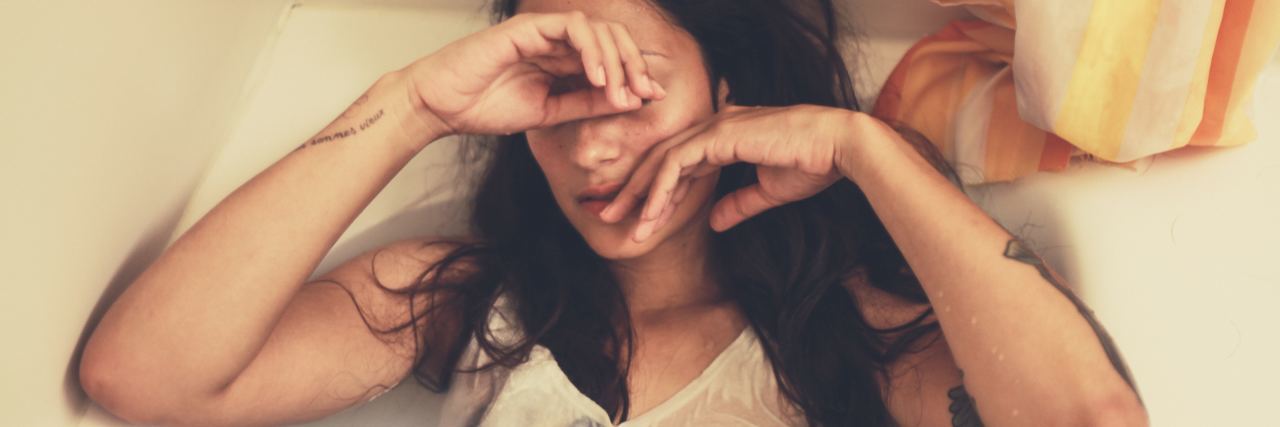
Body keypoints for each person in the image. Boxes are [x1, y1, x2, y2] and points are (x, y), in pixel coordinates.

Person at [79, 0, 1148, 425]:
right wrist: (407, 104)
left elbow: (1089, 422)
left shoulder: (851, 332)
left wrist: (857, 146)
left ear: (723, 90)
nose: (589, 145)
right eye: (556, 100)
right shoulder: (465, 303)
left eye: (629, 90)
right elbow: (145, 376)